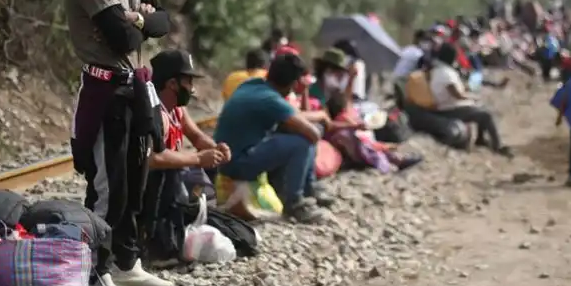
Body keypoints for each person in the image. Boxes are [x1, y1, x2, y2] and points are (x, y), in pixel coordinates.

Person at [65, 0, 174, 286]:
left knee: (136, 183)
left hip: (135, 88)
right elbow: (120, 39)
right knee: (108, 187)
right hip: (105, 91)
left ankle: (126, 264)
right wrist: (139, 24)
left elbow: (162, 22)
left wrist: (141, 20)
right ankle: (95, 269)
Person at [213, 53, 331, 223]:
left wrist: (318, 116)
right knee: (302, 142)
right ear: (294, 84)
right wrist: (321, 120)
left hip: (226, 158)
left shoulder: (251, 86)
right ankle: (295, 203)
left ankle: (305, 189)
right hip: (237, 164)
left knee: (291, 133)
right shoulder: (271, 100)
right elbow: (312, 134)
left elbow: (292, 115)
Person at [148, 49, 231, 196]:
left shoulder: (177, 110)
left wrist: (216, 149)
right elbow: (154, 158)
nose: (192, 89)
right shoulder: (157, 115)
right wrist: (198, 158)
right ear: (172, 83)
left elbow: (196, 137)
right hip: (153, 190)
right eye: (189, 82)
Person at [428, 43, 514, 158]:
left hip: (447, 104)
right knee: (485, 114)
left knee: (481, 110)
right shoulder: (445, 73)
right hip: (449, 108)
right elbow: (458, 95)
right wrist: (473, 97)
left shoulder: (440, 70)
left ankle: (481, 139)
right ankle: (497, 146)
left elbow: (459, 89)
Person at [323, 94, 423, 173]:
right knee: (374, 151)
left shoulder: (344, 127)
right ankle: (394, 163)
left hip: (360, 152)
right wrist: (384, 146)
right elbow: (368, 146)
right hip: (359, 157)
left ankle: (398, 160)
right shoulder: (345, 131)